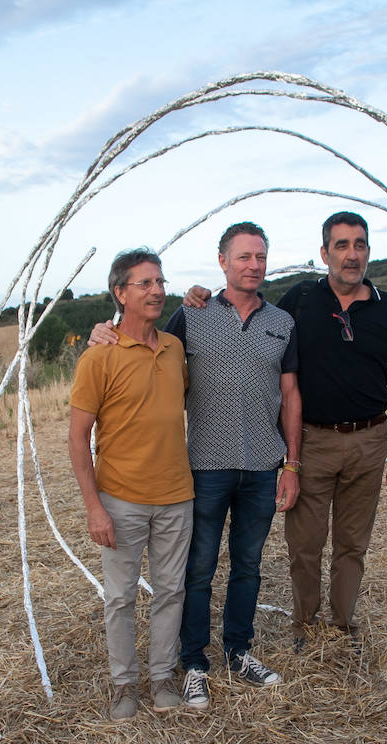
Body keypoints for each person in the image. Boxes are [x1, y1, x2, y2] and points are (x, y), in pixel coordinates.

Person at [88, 222, 302, 709]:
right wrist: (104, 329)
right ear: (223, 260)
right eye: (243, 256)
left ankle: (239, 650)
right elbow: (143, 342)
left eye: (261, 257)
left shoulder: (282, 323)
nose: (254, 265)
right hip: (203, 466)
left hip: (263, 465)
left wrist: (292, 464)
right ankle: (193, 662)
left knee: (248, 564)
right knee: (197, 569)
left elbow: (290, 395)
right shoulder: (192, 315)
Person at [189, 213, 387, 653]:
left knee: (352, 543)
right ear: (324, 253)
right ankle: (305, 628)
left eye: (360, 245)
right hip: (312, 442)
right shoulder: (300, 300)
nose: (353, 254)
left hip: (369, 440)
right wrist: (199, 296)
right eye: (342, 245)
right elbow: (245, 305)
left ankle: (343, 625)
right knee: (305, 545)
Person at [68, 249, 195, 721]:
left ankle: (162, 676)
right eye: (144, 283)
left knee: (171, 591)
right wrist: (93, 507)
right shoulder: (98, 356)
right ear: (120, 293)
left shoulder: (174, 348)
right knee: (120, 597)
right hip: (120, 498)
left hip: (177, 495)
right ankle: (124, 685)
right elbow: (78, 438)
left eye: (160, 281)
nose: (157, 290)